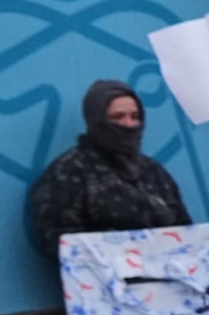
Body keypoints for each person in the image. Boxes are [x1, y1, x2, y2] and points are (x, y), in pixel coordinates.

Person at [26, 80, 191, 260]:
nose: (128, 124)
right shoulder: (69, 172)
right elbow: (56, 239)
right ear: (96, 120)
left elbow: (185, 233)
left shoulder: (155, 173)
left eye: (135, 116)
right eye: (117, 117)